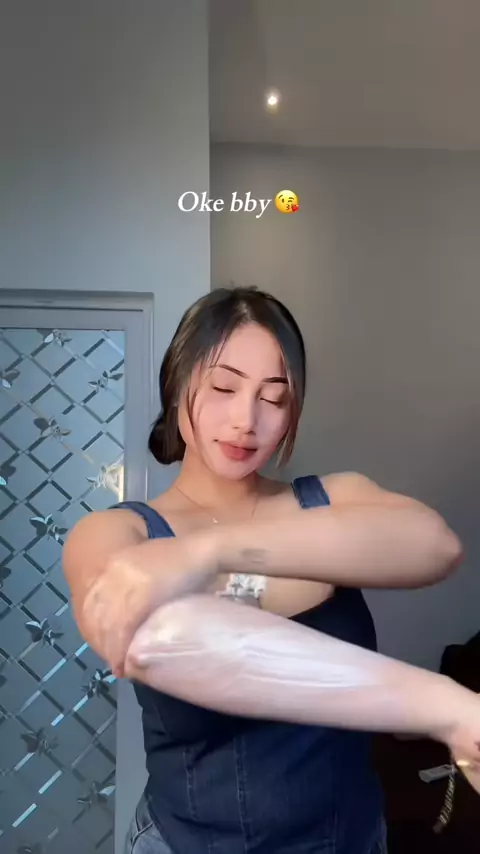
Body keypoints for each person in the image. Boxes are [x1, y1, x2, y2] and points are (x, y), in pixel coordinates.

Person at [63, 287, 478, 854]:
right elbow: (171, 641)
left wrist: (209, 554)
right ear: (178, 385)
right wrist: (446, 708)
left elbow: (435, 545)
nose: (246, 420)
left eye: (274, 397)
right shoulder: (116, 534)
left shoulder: (331, 497)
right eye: (224, 388)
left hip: (352, 839)